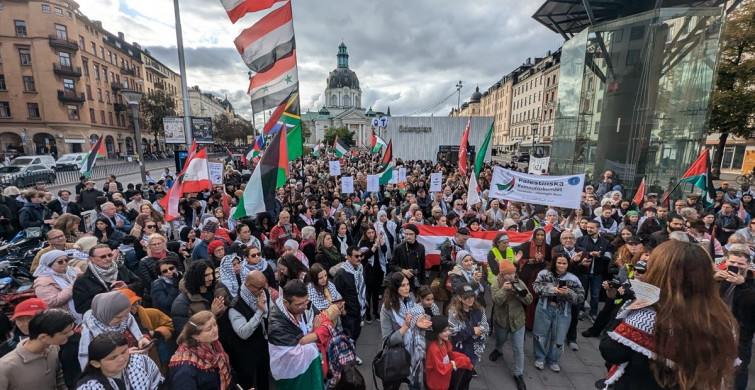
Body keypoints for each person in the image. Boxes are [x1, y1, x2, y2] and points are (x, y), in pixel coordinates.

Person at [600, 241, 739, 390]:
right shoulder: (722, 318)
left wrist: (629, 306)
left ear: (660, 271)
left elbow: (611, 351)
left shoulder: (649, 314)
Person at [267, 280, 327, 389]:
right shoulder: (276, 325)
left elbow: (326, 322)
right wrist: (314, 334)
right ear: (286, 302)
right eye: (299, 304)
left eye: (306, 301)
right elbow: (294, 356)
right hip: (293, 377)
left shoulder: (304, 305)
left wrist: (313, 335)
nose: (305, 307)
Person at [531, 253, 584, 373]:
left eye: (564, 263)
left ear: (568, 264)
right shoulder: (544, 273)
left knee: (559, 338)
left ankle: (554, 360)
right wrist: (552, 289)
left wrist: (568, 292)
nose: (561, 265)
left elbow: (580, 298)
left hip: (563, 312)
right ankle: (540, 358)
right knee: (540, 334)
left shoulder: (573, 278)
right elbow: (535, 287)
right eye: (559, 263)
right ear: (554, 262)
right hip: (544, 308)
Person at [218, 271, 271, 390]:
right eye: (259, 288)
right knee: (249, 384)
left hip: (263, 348)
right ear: (248, 285)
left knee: (263, 380)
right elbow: (243, 333)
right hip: (245, 355)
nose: (262, 291)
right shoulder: (235, 307)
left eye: (264, 287)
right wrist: (259, 312)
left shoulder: (263, 293)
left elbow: (270, 314)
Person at [379, 273, 432, 390]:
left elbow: (415, 317)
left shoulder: (410, 299)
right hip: (397, 357)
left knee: (415, 386)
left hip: (414, 352)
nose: (407, 288)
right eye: (403, 285)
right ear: (395, 288)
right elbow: (387, 341)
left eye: (408, 284)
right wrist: (405, 327)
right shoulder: (387, 309)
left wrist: (418, 322)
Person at [0, 309, 76, 390]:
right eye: (65, 333)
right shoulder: (5, 367)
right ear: (43, 337)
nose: (71, 333)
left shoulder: (53, 348)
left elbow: (59, 381)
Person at [78, 291, 152, 369]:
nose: (123, 319)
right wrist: (123, 355)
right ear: (106, 314)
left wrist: (143, 339)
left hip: (136, 369)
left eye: (126, 315)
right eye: (118, 317)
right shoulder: (86, 332)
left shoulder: (127, 319)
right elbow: (90, 363)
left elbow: (142, 331)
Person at [714, 250, 755, 390]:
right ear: (726, 262)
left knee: (739, 370)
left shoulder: (751, 283)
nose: (736, 265)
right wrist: (713, 280)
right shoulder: (720, 279)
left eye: (740, 263)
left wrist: (742, 285)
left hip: (741, 334)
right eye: (732, 262)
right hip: (715, 329)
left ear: (749, 265)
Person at [488, 259, 532, 390]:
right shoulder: (496, 284)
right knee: (500, 339)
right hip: (501, 321)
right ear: (502, 275)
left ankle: (519, 374)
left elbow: (529, 300)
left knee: (518, 349)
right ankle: (498, 350)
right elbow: (496, 300)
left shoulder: (520, 282)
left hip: (517, 321)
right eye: (509, 274)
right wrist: (505, 290)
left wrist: (517, 293)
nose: (512, 276)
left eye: (513, 273)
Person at [168, 311, 234, 390]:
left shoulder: (214, 345)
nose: (215, 330)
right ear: (195, 336)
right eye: (208, 329)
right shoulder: (185, 367)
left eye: (215, 324)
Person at [73, 244, 143, 314]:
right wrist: (108, 296)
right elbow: (81, 308)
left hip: (130, 312)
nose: (108, 258)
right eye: (103, 257)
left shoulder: (121, 269)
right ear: (91, 259)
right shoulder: (83, 280)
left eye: (110, 255)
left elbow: (140, 284)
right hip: (104, 318)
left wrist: (127, 287)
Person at [171, 260, 231, 334]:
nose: (211, 278)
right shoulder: (182, 302)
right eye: (206, 275)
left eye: (212, 273)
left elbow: (232, 305)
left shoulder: (219, 288)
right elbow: (185, 332)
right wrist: (212, 313)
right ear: (196, 277)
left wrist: (227, 309)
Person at [121, 289, 174, 370]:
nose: (134, 306)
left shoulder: (152, 313)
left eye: (136, 302)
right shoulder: (118, 326)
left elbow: (169, 324)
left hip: (159, 356)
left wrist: (156, 333)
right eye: (130, 305)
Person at [448, 283, 489, 377]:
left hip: (474, 351)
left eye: (472, 296)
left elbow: (485, 327)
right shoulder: (454, 313)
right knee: (456, 377)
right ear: (459, 297)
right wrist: (472, 330)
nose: (471, 299)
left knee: (467, 377)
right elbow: (455, 334)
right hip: (459, 351)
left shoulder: (479, 310)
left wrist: (470, 332)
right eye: (467, 297)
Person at [333, 245, 366, 362]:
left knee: (355, 336)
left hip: (359, 310)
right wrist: (343, 310)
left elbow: (361, 287)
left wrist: (364, 300)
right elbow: (335, 293)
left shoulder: (360, 268)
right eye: (356, 256)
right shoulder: (342, 273)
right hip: (349, 312)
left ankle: (353, 355)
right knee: (348, 337)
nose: (359, 258)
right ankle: (348, 359)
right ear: (348, 257)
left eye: (361, 256)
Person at [425, 315, 474, 390]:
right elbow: (441, 369)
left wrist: (461, 358)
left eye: (448, 329)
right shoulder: (434, 349)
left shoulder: (443, 342)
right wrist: (456, 362)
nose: (448, 332)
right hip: (437, 384)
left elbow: (448, 354)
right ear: (436, 332)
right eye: (444, 331)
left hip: (443, 379)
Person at [576, 220, 612, 322]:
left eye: (592, 227)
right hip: (584, 272)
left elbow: (608, 257)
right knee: (582, 292)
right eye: (588, 227)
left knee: (595, 295)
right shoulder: (581, 240)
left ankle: (593, 313)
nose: (589, 229)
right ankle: (581, 310)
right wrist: (589, 254)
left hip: (597, 273)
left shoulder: (605, 242)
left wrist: (599, 256)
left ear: (598, 228)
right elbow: (578, 253)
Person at [33, 249, 83, 322]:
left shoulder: (70, 272)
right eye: (60, 262)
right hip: (61, 319)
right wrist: (74, 284)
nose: (64, 263)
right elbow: (52, 301)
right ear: (49, 264)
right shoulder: (42, 281)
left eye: (66, 260)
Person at [518, 227, 551, 330]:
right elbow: (521, 260)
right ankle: (523, 322)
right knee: (526, 297)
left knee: (539, 300)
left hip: (542, 278)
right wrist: (532, 261)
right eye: (538, 235)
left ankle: (536, 323)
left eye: (542, 235)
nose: (540, 237)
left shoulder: (549, 248)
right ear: (534, 235)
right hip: (528, 277)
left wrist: (542, 261)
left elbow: (551, 262)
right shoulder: (526, 246)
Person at [358, 226, 387, 323]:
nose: (371, 234)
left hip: (378, 270)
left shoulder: (378, 240)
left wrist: (381, 241)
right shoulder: (363, 243)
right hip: (368, 270)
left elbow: (384, 250)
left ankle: (376, 311)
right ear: (365, 234)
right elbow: (367, 255)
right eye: (369, 233)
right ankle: (367, 313)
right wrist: (375, 244)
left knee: (376, 292)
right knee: (368, 293)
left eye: (372, 232)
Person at [388, 224, 426, 292]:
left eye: (411, 234)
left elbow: (422, 267)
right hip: (402, 281)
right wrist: (403, 270)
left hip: (416, 281)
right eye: (406, 234)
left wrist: (424, 285)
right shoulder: (399, 248)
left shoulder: (421, 247)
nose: (408, 236)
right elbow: (391, 264)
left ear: (415, 235)